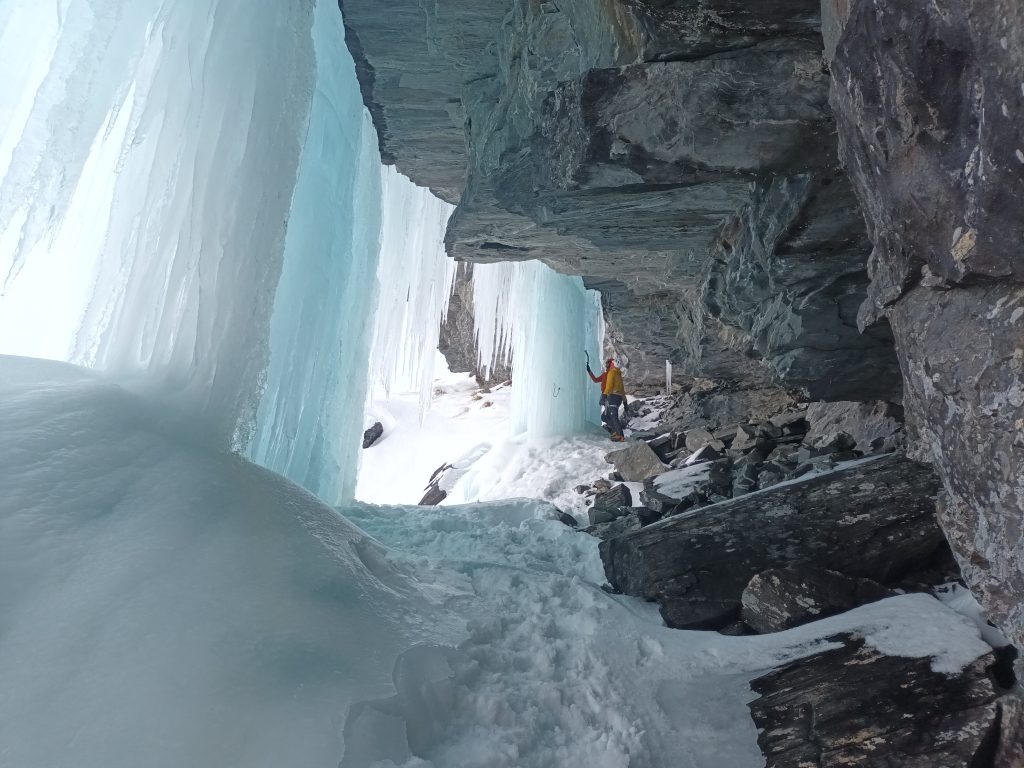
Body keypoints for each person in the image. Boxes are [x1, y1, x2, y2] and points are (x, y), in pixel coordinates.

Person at [587, 357, 628, 442]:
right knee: (605, 416)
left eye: (608, 362)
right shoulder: (616, 374)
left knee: (612, 416)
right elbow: (622, 389)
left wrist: (604, 396)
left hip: (610, 396)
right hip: (610, 396)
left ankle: (620, 435)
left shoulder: (612, 373)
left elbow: (609, 386)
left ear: (612, 364)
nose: (606, 364)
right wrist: (625, 402)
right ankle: (615, 432)